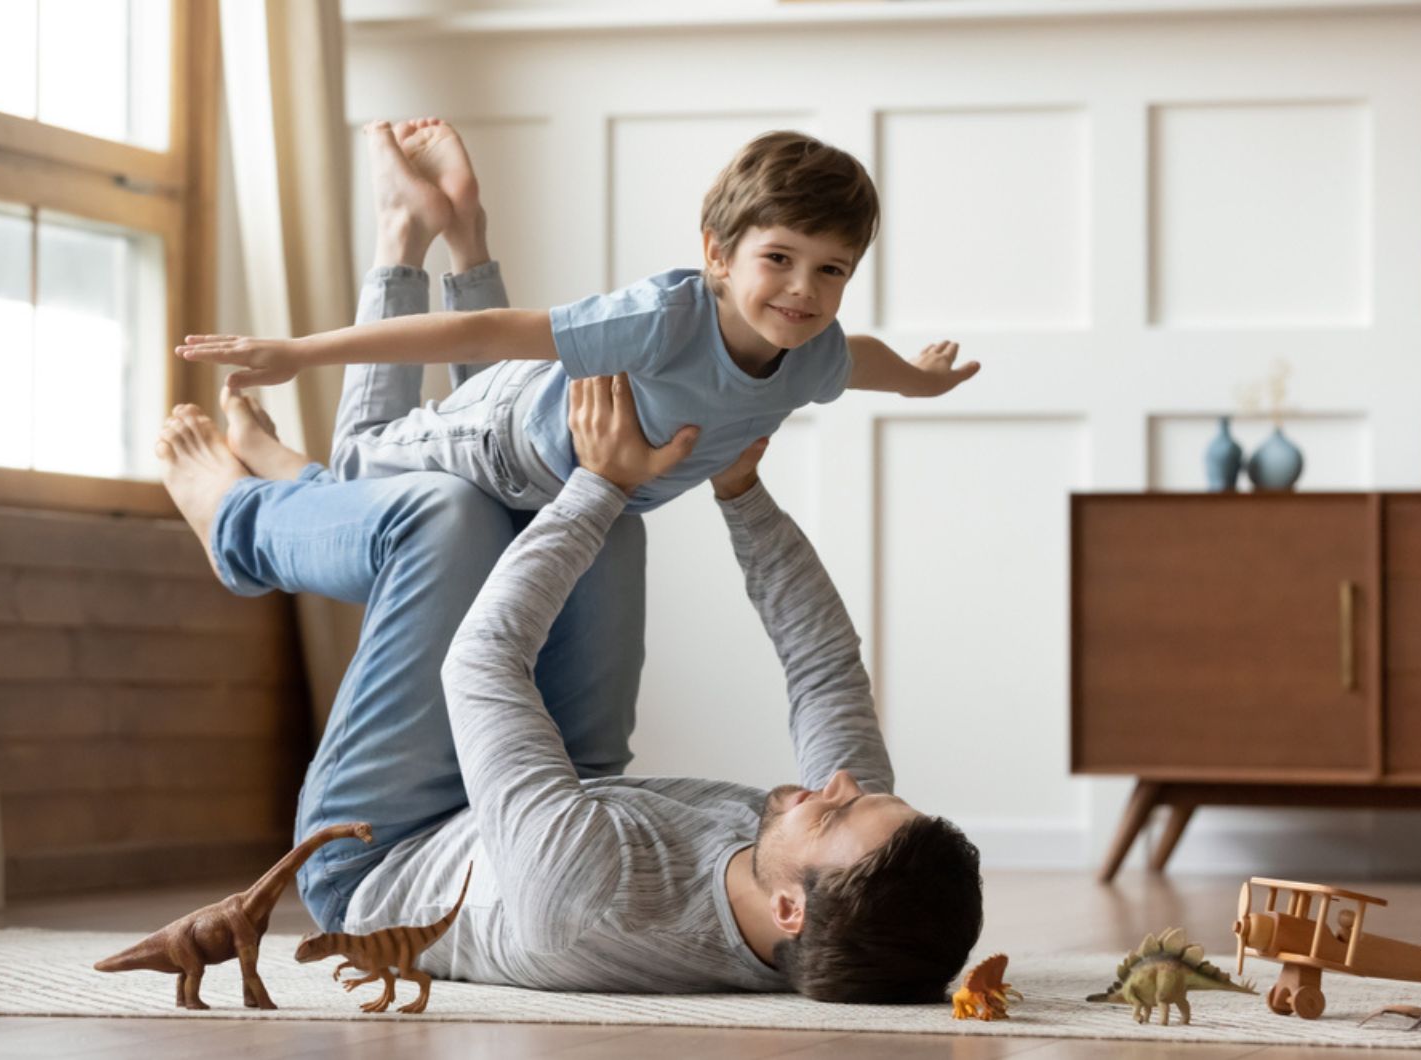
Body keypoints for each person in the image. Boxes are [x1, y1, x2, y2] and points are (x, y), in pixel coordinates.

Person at [153, 372, 983, 1003]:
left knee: (448, 520)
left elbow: (480, 662)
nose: (837, 785)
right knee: (604, 522)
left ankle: (239, 522)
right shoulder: (848, 869)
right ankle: (308, 485)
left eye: (835, 810)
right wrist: (739, 489)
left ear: (791, 914)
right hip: (570, 795)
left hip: (381, 849)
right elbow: (822, 663)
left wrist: (602, 482)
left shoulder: (590, 903)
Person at [175, 121, 980, 516]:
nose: (803, 291)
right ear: (718, 254)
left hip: (547, 448)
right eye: (779, 259)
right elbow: (482, 335)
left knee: (507, 382)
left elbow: (866, 360)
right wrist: (297, 352)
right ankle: (265, 443)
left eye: (831, 270)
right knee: (354, 473)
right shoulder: (665, 318)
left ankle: (463, 226)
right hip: (500, 438)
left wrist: (923, 384)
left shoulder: (813, 354)